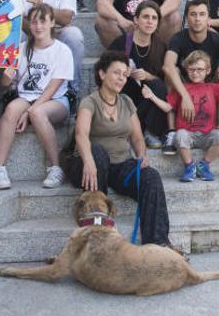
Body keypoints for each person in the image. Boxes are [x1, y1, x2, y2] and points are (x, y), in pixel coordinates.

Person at [62, 50, 170, 246]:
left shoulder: (127, 102)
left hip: (120, 166)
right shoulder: (89, 102)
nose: (121, 78)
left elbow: (137, 138)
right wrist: (88, 161)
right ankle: (98, 231)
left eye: (124, 75)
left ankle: (158, 243)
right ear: (102, 74)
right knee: (98, 152)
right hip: (89, 165)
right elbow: (81, 135)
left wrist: (141, 155)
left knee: (151, 177)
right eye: (116, 73)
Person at [0, 4, 72, 190]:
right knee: (11, 109)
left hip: (55, 100)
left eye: (43, 21)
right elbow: (7, 85)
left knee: (37, 113)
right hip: (27, 97)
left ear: (52, 23)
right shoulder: (20, 49)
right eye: (34, 21)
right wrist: (5, 79)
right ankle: (0, 168)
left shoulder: (62, 51)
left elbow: (53, 88)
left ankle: (55, 167)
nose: (38, 26)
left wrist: (28, 112)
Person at [163, 0, 219, 151]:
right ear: (186, 18)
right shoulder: (178, 38)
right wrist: (184, 96)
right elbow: (167, 66)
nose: (197, 19)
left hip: (210, 80)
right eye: (193, 14)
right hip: (186, 81)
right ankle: (171, 132)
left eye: (202, 14)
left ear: (208, 18)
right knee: (172, 72)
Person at [144, 50, 219, 182]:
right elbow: (168, 107)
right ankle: (189, 166)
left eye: (200, 69)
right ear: (186, 70)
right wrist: (152, 96)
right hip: (187, 134)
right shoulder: (182, 88)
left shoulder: (212, 88)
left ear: (208, 70)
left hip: (207, 134)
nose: (195, 73)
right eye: (191, 69)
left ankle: (204, 165)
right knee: (179, 135)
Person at [14, 0, 85, 96]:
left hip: (57, 32)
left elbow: (66, 19)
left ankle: (72, 90)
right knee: (16, 35)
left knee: (74, 35)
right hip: (31, 32)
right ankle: (14, 89)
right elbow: (17, 19)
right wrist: (40, 31)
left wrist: (41, 5)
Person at [108, 0, 168, 149]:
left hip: (147, 102)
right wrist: (121, 73)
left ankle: (150, 131)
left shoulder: (160, 47)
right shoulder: (121, 43)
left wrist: (147, 76)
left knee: (158, 85)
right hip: (124, 98)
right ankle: (130, 130)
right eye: (145, 17)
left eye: (154, 18)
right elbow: (103, 72)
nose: (150, 22)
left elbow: (166, 82)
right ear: (136, 19)